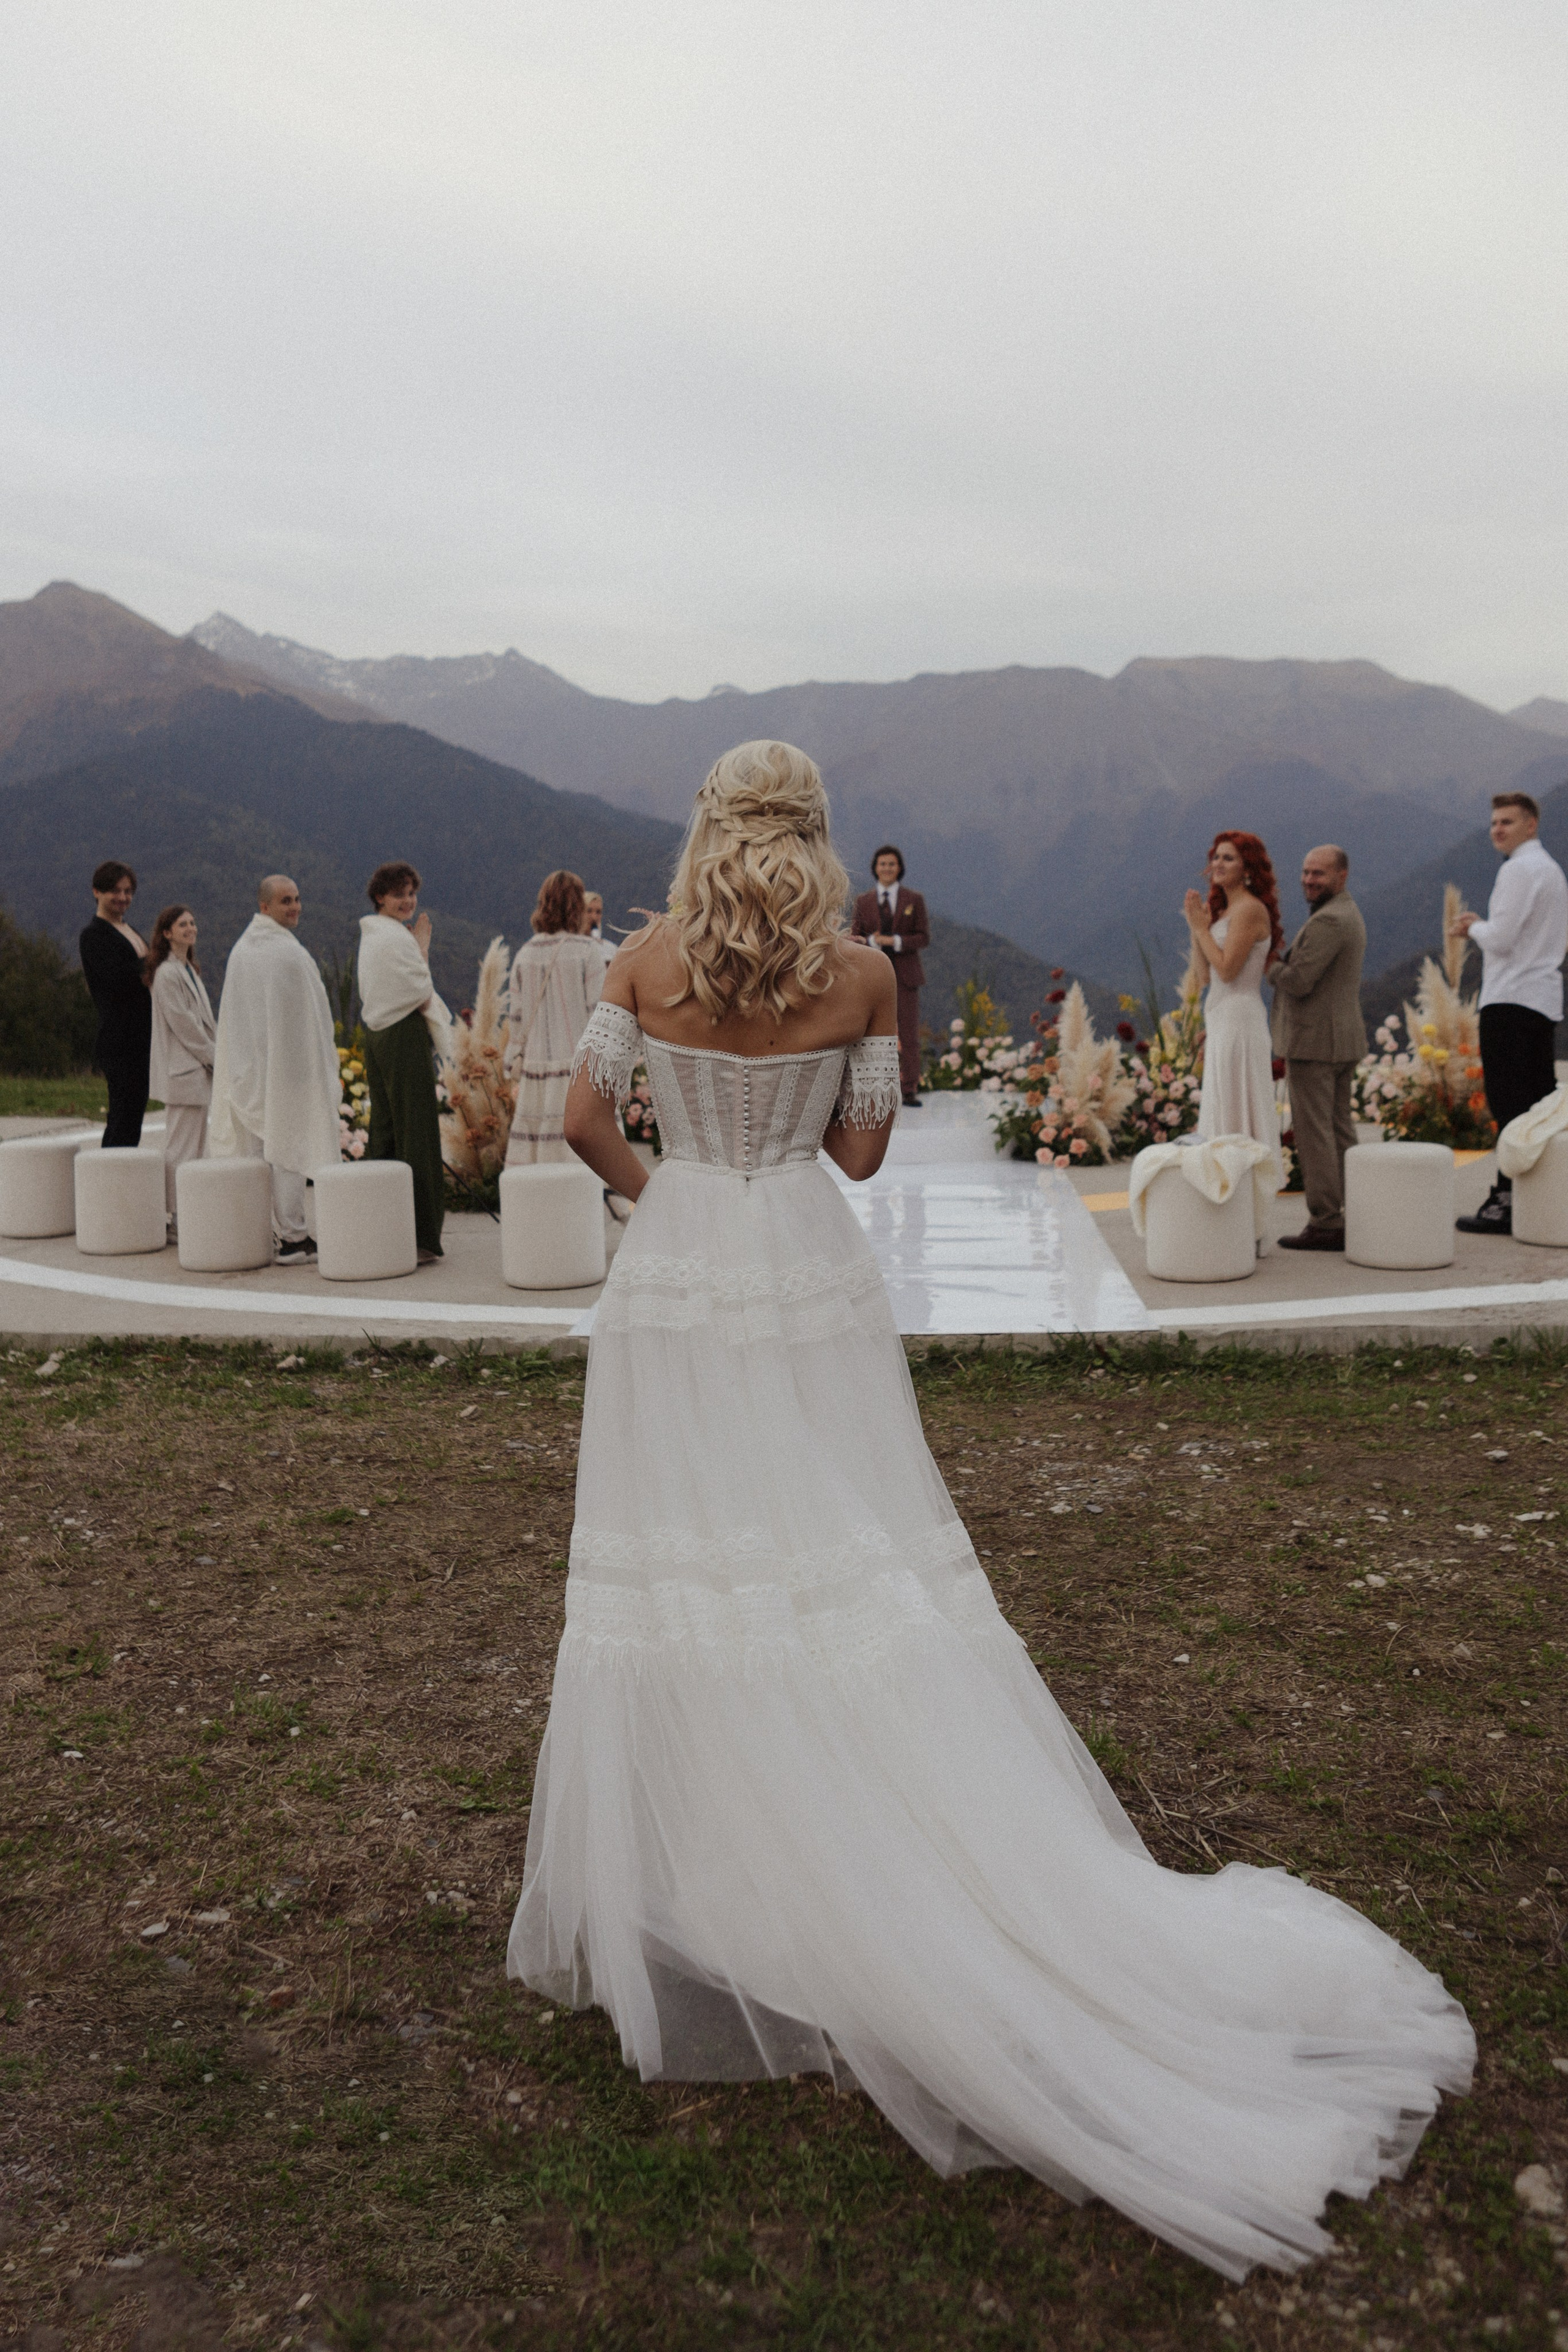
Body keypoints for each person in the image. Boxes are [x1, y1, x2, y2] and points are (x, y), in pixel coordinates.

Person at [508, 740, 1471, 2283]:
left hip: (674, 1265)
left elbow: (571, 1123)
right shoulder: (853, 978)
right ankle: (848, 1842)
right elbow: (863, 1151)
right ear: (814, 841)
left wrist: (668, 1182)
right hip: (804, 1263)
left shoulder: (638, 955)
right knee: (835, 1554)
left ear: (706, 830)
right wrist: (785, 1115)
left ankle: (707, 1877)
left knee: (684, 1569)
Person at [1449, 790, 1568, 1236]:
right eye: (1495, 822)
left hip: (1511, 998)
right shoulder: (1552, 871)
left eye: (1508, 822)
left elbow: (1500, 940)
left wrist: (1472, 926)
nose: (1498, 829)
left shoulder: (1519, 869)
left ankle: (1505, 1201)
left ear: (1531, 825)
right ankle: (1541, 1193)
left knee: (1510, 1104)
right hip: (1542, 998)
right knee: (1538, 1101)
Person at [208, 875, 342, 1264]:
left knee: (254, 1153)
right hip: (286, 1071)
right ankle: (295, 1236)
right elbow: (307, 1021)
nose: (295, 907)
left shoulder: (243, 949)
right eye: (286, 901)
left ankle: (250, 1233)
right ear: (265, 907)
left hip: (249, 1072)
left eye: (298, 899)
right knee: (288, 1148)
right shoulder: (284, 952)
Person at [1268, 845, 1367, 1252]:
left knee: (1314, 1135)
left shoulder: (1328, 921)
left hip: (1315, 1043)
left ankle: (1326, 1220)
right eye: (1307, 872)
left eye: (1319, 874)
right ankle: (1357, 1210)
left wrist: (1268, 965)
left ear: (1341, 876)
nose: (1309, 880)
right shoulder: (1348, 913)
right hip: (1341, 1039)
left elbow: (1298, 980)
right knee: (1340, 1129)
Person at [358, 862, 452, 1264]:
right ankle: (422, 1235)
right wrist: (422, 954)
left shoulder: (374, 935)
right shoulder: (394, 938)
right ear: (380, 896)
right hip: (404, 1034)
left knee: (385, 1129)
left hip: (377, 1034)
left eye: (412, 893)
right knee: (417, 1133)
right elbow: (420, 989)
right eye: (399, 894)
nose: (408, 901)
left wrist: (419, 954)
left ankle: (377, 1227)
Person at [1184, 831, 1286, 1194]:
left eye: (1228, 858)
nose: (1218, 864)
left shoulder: (1250, 910)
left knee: (1239, 1109)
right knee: (1221, 1106)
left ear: (1248, 869)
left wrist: (1201, 929)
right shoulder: (1226, 911)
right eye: (1216, 857)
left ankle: (1249, 1207)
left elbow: (1228, 970)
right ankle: (1226, 1200)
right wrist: (1196, 929)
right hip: (1223, 1017)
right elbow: (1205, 977)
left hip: (1242, 1018)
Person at [504, 869, 606, 1164]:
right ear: (578, 907)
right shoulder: (587, 952)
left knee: (539, 1169)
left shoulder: (525, 954)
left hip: (536, 1075)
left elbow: (517, 1018)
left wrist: (512, 1060)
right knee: (586, 1164)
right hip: (579, 1075)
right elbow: (598, 1017)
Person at [143, 905, 216, 1224]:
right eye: (182, 924)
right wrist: (216, 1057)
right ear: (167, 933)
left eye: (193, 922)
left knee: (196, 1149)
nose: (191, 927)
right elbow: (184, 1026)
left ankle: (188, 1211)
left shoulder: (189, 970)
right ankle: (175, 1216)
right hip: (185, 1070)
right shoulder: (167, 974)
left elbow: (204, 1023)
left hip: (197, 1071)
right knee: (181, 1149)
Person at [79, 861, 151, 1147]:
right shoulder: (93, 935)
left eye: (128, 891)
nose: (123, 898)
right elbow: (116, 981)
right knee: (122, 1117)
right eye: (115, 891)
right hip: (120, 1039)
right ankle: (109, 1179)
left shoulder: (128, 929)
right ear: (97, 892)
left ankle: (122, 1176)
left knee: (134, 1115)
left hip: (140, 1038)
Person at [851, 845, 929, 1104]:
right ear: (875, 868)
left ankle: (909, 1089)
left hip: (905, 976)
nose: (887, 868)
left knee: (908, 1034)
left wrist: (893, 941)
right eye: (882, 864)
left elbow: (923, 937)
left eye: (891, 864)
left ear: (900, 868)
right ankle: (872, 1088)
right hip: (872, 976)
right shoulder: (863, 902)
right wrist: (872, 942)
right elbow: (855, 937)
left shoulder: (913, 900)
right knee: (868, 1034)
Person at [581, 890, 617, 969]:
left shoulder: (610, 948)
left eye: (598, 912)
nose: (594, 917)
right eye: (589, 911)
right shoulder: (569, 945)